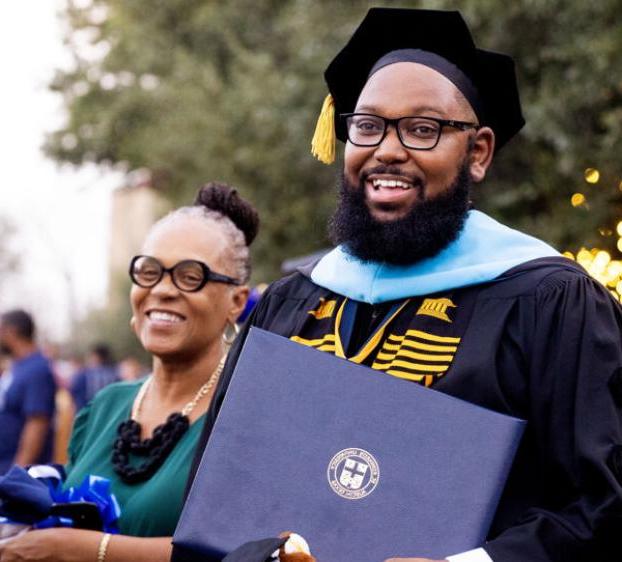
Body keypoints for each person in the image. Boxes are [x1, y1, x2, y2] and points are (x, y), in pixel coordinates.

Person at [175, 8, 622, 562]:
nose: (387, 149)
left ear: (477, 152)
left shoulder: (549, 301)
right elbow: (215, 496)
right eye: (367, 125)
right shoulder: (291, 303)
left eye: (422, 129)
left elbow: (600, 506)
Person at [0, 183, 258, 562]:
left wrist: (77, 549)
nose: (162, 290)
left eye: (190, 276)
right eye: (150, 271)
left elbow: (243, 551)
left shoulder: (247, 417)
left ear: (236, 301)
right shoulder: (104, 406)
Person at [0, 310, 57, 475]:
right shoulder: (18, 366)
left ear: (11, 331)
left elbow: (37, 423)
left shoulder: (37, 369)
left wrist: (15, 477)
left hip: (15, 474)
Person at [70, 343, 119, 411]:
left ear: (96, 356)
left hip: (88, 412)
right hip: (109, 412)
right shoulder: (114, 374)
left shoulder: (84, 374)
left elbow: (74, 391)